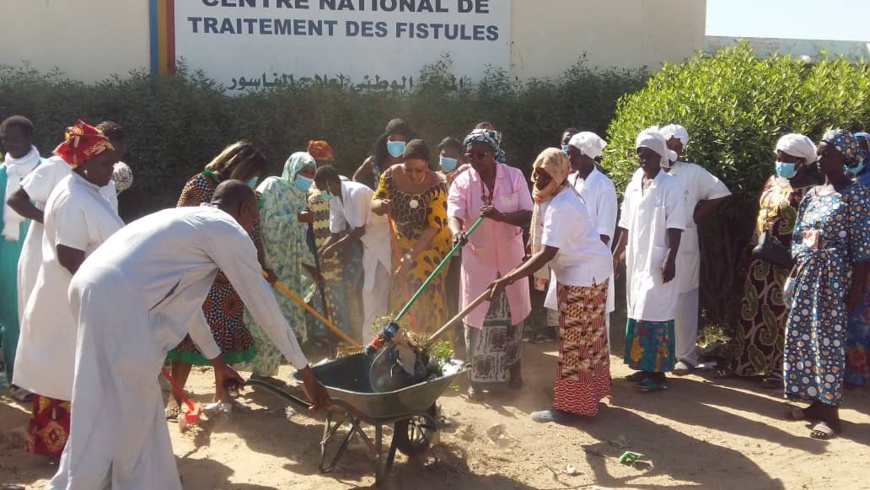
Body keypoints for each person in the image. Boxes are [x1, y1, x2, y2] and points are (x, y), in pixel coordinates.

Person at [46, 181, 331, 490]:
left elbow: (186, 307)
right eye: (254, 219)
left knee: (107, 395)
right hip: (120, 300)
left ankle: (104, 479)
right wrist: (306, 373)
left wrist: (218, 362)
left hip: (89, 286)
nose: (252, 227)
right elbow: (264, 307)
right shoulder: (227, 230)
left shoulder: (185, 221)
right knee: (133, 401)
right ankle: (117, 483)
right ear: (245, 210)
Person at [13, 120, 123, 460]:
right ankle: (65, 450)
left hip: (76, 298)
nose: (112, 169)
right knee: (66, 376)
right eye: (106, 163)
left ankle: (78, 450)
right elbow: (70, 255)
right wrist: (105, 287)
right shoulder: (73, 195)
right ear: (85, 162)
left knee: (72, 375)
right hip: (70, 301)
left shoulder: (88, 188)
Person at [488, 148, 613, 422]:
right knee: (587, 337)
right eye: (536, 170)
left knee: (576, 342)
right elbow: (541, 246)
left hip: (584, 276)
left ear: (558, 175)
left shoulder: (561, 205)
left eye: (545, 174)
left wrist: (507, 279)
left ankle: (572, 408)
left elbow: (546, 254)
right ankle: (588, 396)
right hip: (585, 271)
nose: (537, 178)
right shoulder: (554, 195)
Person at [165, 141, 271, 416]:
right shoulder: (200, 185)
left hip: (230, 281)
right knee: (191, 332)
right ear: (239, 166)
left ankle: (222, 395)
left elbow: (254, 231)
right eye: (250, 174)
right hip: (199, 274)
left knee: (222, 334)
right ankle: (176, 397)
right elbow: (180, 227)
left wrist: (262, 264)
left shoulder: (247, 194)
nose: (252, 181)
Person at [783, 129, 870, 440]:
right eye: (819, 153)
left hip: (835, 279)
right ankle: (814, 403)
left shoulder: (856, 194)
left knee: (829, 343)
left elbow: (862, 247)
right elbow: (797, 238)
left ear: (845, 158)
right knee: (804, 338)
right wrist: (796, 272)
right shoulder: (811, 195)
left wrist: (856, 288)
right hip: (808, 274)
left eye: (828, 154)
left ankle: (832, 416)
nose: (820, 159)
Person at [9, 122, 124, 351]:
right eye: (109, 158)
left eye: (117, 157)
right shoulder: (60, 175)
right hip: (48, 258)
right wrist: (54, 222)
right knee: (50, 334)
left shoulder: (101, 180)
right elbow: (16, 200)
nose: (114, 165)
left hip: (83, 266)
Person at [448, 129, 533, 399]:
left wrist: (500, 216)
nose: (475, 160)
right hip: (478, 260)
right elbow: (455, 212)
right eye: (470, 155)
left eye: (481, 154)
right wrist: (456, 232)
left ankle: (514, 371)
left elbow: (527, 215)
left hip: (510, 260)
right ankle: (475, 379)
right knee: (477, 319)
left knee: (512, 319)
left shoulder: (514, 176)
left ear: (493, 154)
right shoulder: (463, 181)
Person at [727, 134, 817, 386]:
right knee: (751, 311)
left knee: (780, 314)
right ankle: (744, 365)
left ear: (801, 161)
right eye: (778, 156)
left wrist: (801, 262)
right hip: (760, 259)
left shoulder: (810, 191)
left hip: (787, 262)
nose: (780, 161)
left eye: (786, 158)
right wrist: (749, 248)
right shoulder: (772, 182)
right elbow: (760, 216)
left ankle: (778, 370)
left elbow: (812, 230)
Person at [612, 129, 687, 393]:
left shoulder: (670, 186)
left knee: (656, 310)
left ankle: (658, 374)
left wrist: (671, 257)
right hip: (636, 256)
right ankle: (644, 366)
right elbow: (624, 222)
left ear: (660, 155)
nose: (644, 160)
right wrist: (618, 252)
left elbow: (677, 225)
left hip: (658, 258)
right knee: (638, 309)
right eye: (640, 155)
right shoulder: (635, 183)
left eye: (649, 155)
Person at [659, 124, 731, 373]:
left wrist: (695, 217)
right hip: (655, 241)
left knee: (684, 298)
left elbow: (720, 192)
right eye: (669, 145)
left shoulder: (692, 172)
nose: (673, 150)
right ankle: (658, 352)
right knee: (656, 296)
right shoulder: (648, 171)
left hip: (684, 243)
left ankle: (685, 355)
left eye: (678, 147)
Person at [241, 152, 317, 380]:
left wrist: (310, 266)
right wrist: (296, 218)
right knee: (263, 318)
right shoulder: (272, 186)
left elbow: (299, 240)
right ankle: (258, 373)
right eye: (304, 172)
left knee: (280, 319)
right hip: (266, 266)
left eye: (312, 173)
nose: (308, 177)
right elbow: (260, 222)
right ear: (292, 170)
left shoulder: (300, 197)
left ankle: (265, 373)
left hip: (288, 271)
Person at [372, 139, 451, 334]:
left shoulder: (437, 184)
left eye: (419, 170)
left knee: (422, 288)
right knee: (401, 289)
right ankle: (402, 341)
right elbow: (375, 201)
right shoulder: (390, 176)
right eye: (409, 170)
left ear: (427, 167)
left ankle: (428, 342)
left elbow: (434, 227)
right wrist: (381, 206)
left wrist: (410, 257)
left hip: (430, 246)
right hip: (401, 244)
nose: (413, 175)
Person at [553, 131, 619, 346]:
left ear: (587, 155)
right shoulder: (569, 181)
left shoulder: (604, 185)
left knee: (595, 320)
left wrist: (586, 259)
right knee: (572, 320)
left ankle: (598, 376)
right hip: (570, 261)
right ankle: (578, 375)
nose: (569, 158)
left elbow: (605, 231)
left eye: (572, 154)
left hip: (592, 263)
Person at [315, 165, 391, 343]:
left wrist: (333, 250)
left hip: (385, 245)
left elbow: (358, 231)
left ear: (328, 183)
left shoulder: (355, 192)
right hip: (371, 248)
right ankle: (371, 342)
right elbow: (335, 233)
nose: (322, 194)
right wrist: (320, 252)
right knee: (369, 294)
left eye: (321, 190)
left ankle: (380, 339)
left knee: (380, 293)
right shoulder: (335, 198)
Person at [0, 116, 42, 400]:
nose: (8, 142)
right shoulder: (2, 172)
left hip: (38, 247)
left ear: (29, 138)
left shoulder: (46, 169)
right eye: (4, 137)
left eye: (13, 137)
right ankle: (16, 377)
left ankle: (40, 376)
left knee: (36, 310)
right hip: (6, 249)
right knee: (10, 312)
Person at [307, 141, 362, 345]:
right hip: (322, 249)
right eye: (316, 162)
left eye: (325, 161)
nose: (320, 166)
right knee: (322, 292)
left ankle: (350, 336)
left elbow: (352, 221)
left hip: (346, 249)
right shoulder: (307, 189)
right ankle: (325, 335)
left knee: (348, 292)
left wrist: (339, 246)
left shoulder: (343, 185)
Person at [845, 131, 870, 388]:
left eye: (862, 149)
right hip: (845, 262)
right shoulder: (844, 181)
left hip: (865, 262)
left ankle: (858, 374)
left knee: (862, 318)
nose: (857, 154)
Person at [353, 119, 415, 189]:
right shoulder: (374, 162)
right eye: (392, 139)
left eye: (401, 140)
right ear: (386, 140)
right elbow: (356, 179)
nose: (396, 144)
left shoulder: (414, 165)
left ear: (407, 142)